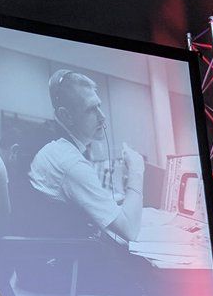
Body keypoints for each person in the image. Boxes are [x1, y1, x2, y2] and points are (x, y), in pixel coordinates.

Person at [28, 70, 145, 243]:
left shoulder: (58, 148)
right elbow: (129, 230)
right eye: (91, 109)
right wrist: (136, 170)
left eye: (99, 106)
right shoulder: (68, 161)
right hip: (67, 257)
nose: (102, 117)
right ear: (66, 116)